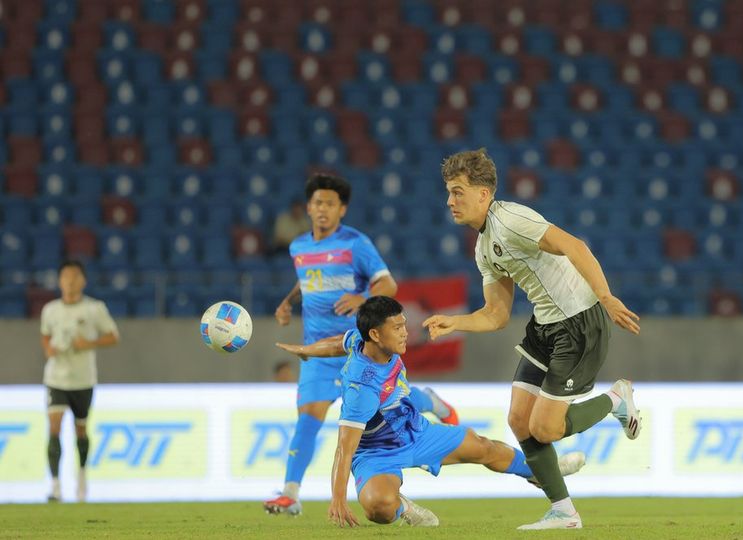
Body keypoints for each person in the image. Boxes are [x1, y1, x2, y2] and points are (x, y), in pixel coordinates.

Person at [422, 149, 643, 530]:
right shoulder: (482, 247)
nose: (450, 201)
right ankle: (564, 512)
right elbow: (496, 315)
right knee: (519, 419)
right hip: (545, 327)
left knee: (546, 429)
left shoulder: (511, 220)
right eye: (448, 192)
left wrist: (606, 298)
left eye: (458, 191)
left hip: (579, 323)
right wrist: (454, 323)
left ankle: (616, 399)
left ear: (484, 194)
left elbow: (576, 246)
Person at [276, 296, 586, 528]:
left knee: (483, 447)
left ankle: (541, 472)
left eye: (403, 324)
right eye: (397, 327)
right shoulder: (361, 388)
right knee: (378, 509)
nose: (405, 332)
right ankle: (404, 508)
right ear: (376, 335)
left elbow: (337, 343)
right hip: (376, 453)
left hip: (416, 431)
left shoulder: (362, 339)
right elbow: (344, 449)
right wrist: (338, 499)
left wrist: (307, 350)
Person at [263, 174, 459, 516]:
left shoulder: (356, 244)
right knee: (307, 419)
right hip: (319, 352)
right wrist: (288, 302)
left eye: (330, 204)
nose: (323, 209)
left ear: (342, 210)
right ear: (308, 207)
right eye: (318, 203)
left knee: (395, 406)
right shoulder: (299, 248)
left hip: (360, 351)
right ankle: (291, 493)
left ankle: (430, 400)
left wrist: (362, 296)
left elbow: (389, 283)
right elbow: (308, 280)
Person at [40, 260, 120, 502]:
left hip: (83, 378)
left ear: (83, 281)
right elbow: (45, 336)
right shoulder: (50, 309)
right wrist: (49, 350)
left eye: (75, 276)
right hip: (56, 377)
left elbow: (113, 336)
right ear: (60, 281)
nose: (70, 281)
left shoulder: (94, 309)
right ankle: (55, 486)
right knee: (54, 426)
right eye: (66, 276)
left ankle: (82, 478)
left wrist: (90, 343)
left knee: (81, 429)